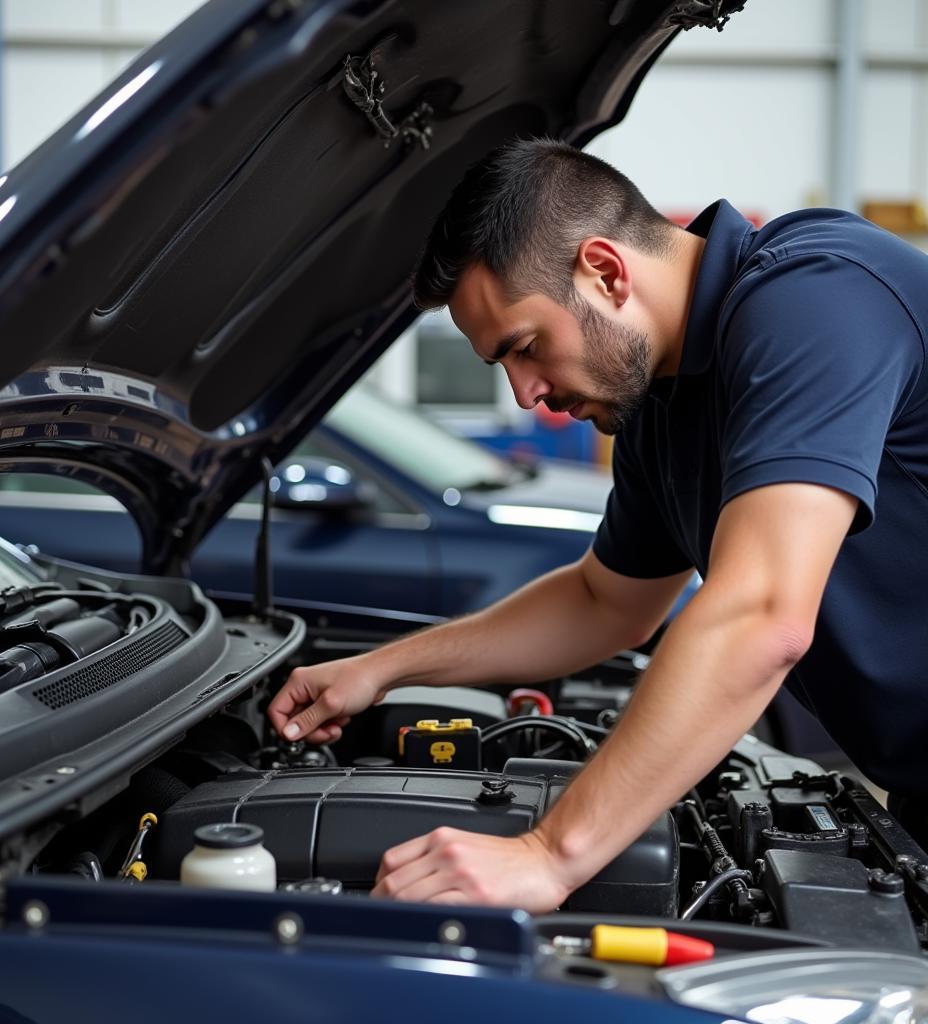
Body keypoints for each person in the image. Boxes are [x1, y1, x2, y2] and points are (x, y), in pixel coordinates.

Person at [268, 138, 928, 910]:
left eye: (526, 348)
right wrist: (380, 670)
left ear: (606, 273)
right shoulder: (661, 410)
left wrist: (549, 855)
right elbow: (604, 602)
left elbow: (762, 615)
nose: (525, 394)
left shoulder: (817, 297)